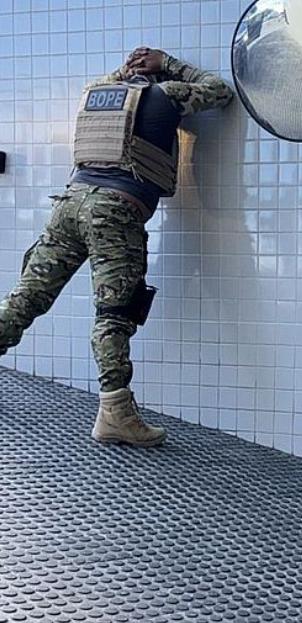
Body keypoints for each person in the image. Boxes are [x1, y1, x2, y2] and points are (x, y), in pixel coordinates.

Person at [0, 47, 233, 446]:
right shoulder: (166, 94)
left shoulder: (96, 92)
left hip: (69, 204)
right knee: (114, 314)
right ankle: (115, 413)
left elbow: (114, 85)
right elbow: (220, 91)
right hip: (115, 210)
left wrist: (123, 70)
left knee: (26, 298)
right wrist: (169, 63)